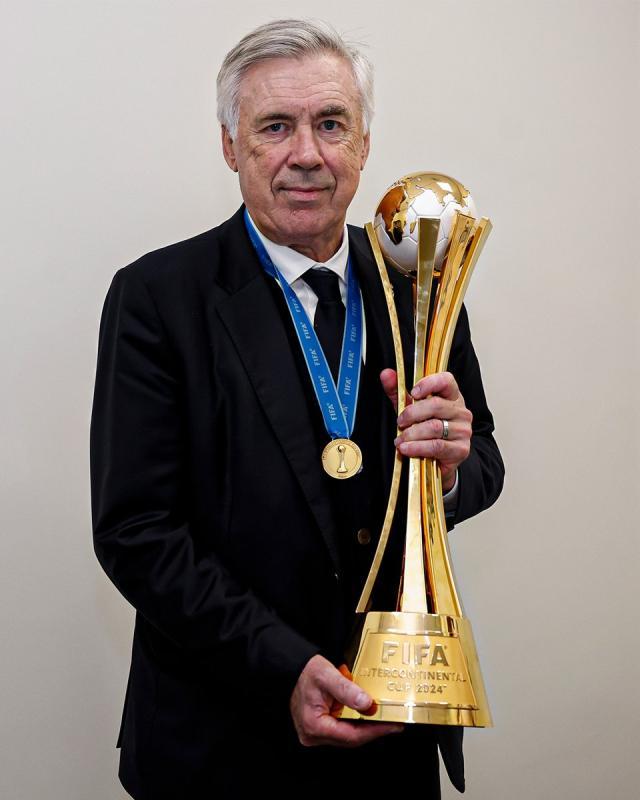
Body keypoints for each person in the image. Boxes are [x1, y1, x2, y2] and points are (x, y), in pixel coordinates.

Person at [89, 18, 504, 800]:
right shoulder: (157, 298)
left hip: (393, 733)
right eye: (275, 126)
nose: (307, 153)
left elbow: (482, 460)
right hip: (219, 743)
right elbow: (136, 532)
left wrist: (448, 471)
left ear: (364, 144)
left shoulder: (419, 281)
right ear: (230, 145)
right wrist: (285, 666)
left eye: (331, 124)